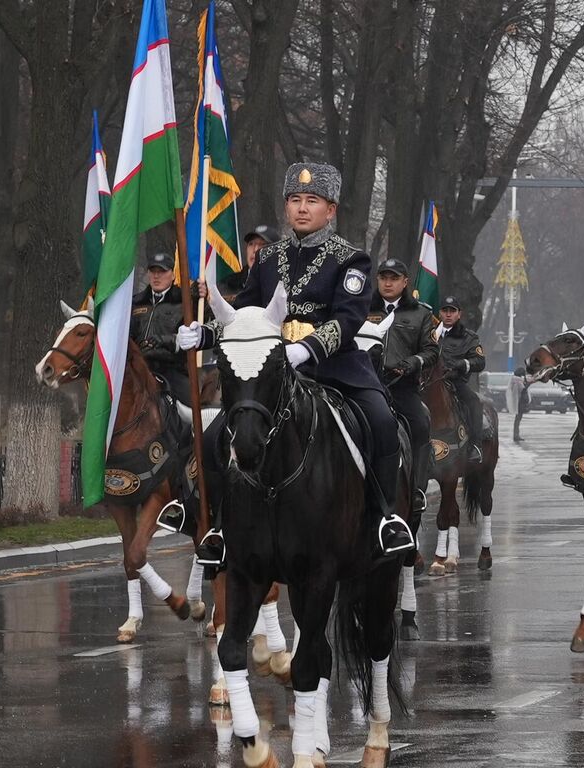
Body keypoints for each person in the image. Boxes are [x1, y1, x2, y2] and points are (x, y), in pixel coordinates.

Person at [178, 162, 416, 555]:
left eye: (312, 200)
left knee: (382, 421)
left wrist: (307, 348)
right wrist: (204, 334)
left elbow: (349, 316)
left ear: (331, 209)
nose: (302, 208)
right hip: (272, 371)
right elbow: (245, 316)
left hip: (334, 367)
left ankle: (384, 518)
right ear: (286, 207)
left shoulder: (351, 259)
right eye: (294, 200)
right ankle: (209, 519)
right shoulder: (268, 258)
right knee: (214, 433)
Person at [366, 258, 439, 512]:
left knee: (420, 423)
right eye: (383, 277)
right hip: (366, 384)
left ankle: (417, 488)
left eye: (394, 278)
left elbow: (432, 351)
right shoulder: (361, 307)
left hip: (401, 386)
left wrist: (411, 362)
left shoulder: (421, 313)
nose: (388, 283)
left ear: (405, 282)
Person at [130, 251, 195, 407]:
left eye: (162, 271)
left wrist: (163, 341)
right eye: (153, 271)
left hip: (172, 369)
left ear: (173, 275)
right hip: (139, 368)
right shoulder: (136, 302)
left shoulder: (185, 301)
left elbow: (193, 332)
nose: (156, 276)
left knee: (190, 411)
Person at [434, 296, 488, 464]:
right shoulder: (429, 334)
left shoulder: (469, 337)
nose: (448, 314)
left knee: (473, 402)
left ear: (459, 314)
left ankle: (475, 446)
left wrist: (460, 364)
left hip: (455, 382)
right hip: (429, 382)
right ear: (440, 313)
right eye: (445, 310)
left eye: (452, 311)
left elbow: (480, 362)